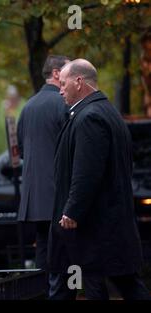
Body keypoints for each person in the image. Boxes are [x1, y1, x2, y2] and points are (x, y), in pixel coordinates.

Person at [48, 58, 150, 300]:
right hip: (104, 221)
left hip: (94, 223)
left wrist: (72, 210)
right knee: (120, 282)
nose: (60, 90)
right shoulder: (105, 111)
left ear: (79, 82)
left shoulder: (89, 117)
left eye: (63, 84)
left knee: (115, 282)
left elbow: (87, 171)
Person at [17, 55, 69, 270]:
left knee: (43, 249)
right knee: (65, 251)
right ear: (57, 73)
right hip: (60, 194)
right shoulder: (64, 103)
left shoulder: (28, 106)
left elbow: (20, 150)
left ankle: (43, 291)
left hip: (34, 196)